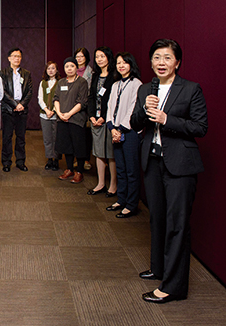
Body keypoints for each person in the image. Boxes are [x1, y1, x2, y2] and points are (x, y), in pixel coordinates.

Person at [130, 39, 208, 303]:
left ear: (177, 62)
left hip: (180, 165)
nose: (160, 63)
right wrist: (145, 110)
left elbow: (200, 127)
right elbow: (134, 123)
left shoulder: (190, 89)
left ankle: (173, 286)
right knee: (157, 218)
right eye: (156, 58)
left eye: (166, 58)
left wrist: (167, 120)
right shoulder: (144, 89)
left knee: (177, 224)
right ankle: (159, 268)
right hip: (152, 161)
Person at [105, 52, 142, 218]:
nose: (121, 66)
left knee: (131, 170)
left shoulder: (137, 84)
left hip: (130, 133)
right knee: (120, 168)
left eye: (124, 63)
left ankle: (132, 205)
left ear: (131, 65)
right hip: (115, 132)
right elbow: (110, 106)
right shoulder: (116, 84)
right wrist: (112, 128)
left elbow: (133, 109)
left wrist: (120, 129)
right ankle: (121, 199)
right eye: (119, 63)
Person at [87, 47, 117, 197]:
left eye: (102, 56)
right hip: (95, 118)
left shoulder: (114, 75)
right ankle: (100, 183)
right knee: (98, 152)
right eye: (97, 56)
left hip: (108, 119)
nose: (99, 59)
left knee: (110, 154)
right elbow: (91, 96)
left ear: (108, 58)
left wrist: (104, 117)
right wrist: (91, 116)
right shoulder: (95, 75)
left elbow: (113, 100)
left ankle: (113, 185)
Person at [53, 57, 88, 183]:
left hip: (76, 119)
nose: (69, 68)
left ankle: (79, 171)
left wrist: (69, 114)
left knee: (78, 145)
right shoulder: (61, 82)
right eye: (67, 66)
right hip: (62, 119)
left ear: (76, 67)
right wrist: (59, 113)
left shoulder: (82, 82)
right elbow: (56, 98)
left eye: (72, 66)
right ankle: (69, 169)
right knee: (66, 145)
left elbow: (82, 102)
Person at [0, 48, 33, 172]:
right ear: (9, 58)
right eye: (14, 56)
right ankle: (6, 162)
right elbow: (2, 91)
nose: (17, 58)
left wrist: (21, 104)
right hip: (8, 109)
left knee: (21, 138)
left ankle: (20, 161)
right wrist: (15, 104)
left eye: (19, 56)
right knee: (7, 137)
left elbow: (30, 91)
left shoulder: (26, 73)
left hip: (22, 109)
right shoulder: (2, 73)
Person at [38, 61, 61, 171]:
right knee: (47, 139)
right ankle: (49, 159)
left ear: (56, 70)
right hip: (44, 115)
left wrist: (53, 110)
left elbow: (62, 99)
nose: (51, 70)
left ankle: (56, 159)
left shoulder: (61, 82)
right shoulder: (43, 83)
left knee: (56, 138)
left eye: (53, 68)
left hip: (57, 115)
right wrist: (46, 110)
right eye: (49, 68)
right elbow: (40, 98)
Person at [74, 47, 93, 171]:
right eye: (77, 56)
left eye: (81, 56)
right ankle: (77, 159)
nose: (79, 59)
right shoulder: (72, 70)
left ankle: (86, 159)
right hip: (73, 107)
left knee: (86, 134)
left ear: (86, 58)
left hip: (86, 107)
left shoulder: (90, 72)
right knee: (76, 134)